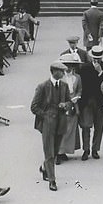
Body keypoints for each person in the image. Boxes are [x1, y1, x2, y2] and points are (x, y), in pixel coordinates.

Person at [30, 60, 72, 191]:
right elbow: (34, 107)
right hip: (47, 124)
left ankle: (44, 168)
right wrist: (45, 116)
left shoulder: (64, 86)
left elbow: (69, 102)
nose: (64, 74)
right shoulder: (42, 86)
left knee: (54, 150)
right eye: (61, 72)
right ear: (54, 72)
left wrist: (66, 105)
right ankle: (52, 180)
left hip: (61, 122)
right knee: (49, 152)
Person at [77, 46, 103, 160]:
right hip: (87, 102)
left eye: (99, 59)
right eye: (95, 59)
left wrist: (100, 73)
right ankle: (86, 149)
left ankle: (95, 149)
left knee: (99, 126)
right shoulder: (84, 68)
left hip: (101, 102)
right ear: (91, 57)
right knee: (86, 126)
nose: (96, 61)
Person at [57, 53, 83, 161]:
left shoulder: (77, 77)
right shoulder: (59, 78)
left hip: (73, 105)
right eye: (66, 65)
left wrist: (77, 97)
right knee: (60, 129)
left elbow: (79, 90)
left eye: (71, 65)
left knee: (70, 130)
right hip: (62, 106)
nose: (69, 68)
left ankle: (64, 151)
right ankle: (58, 152)